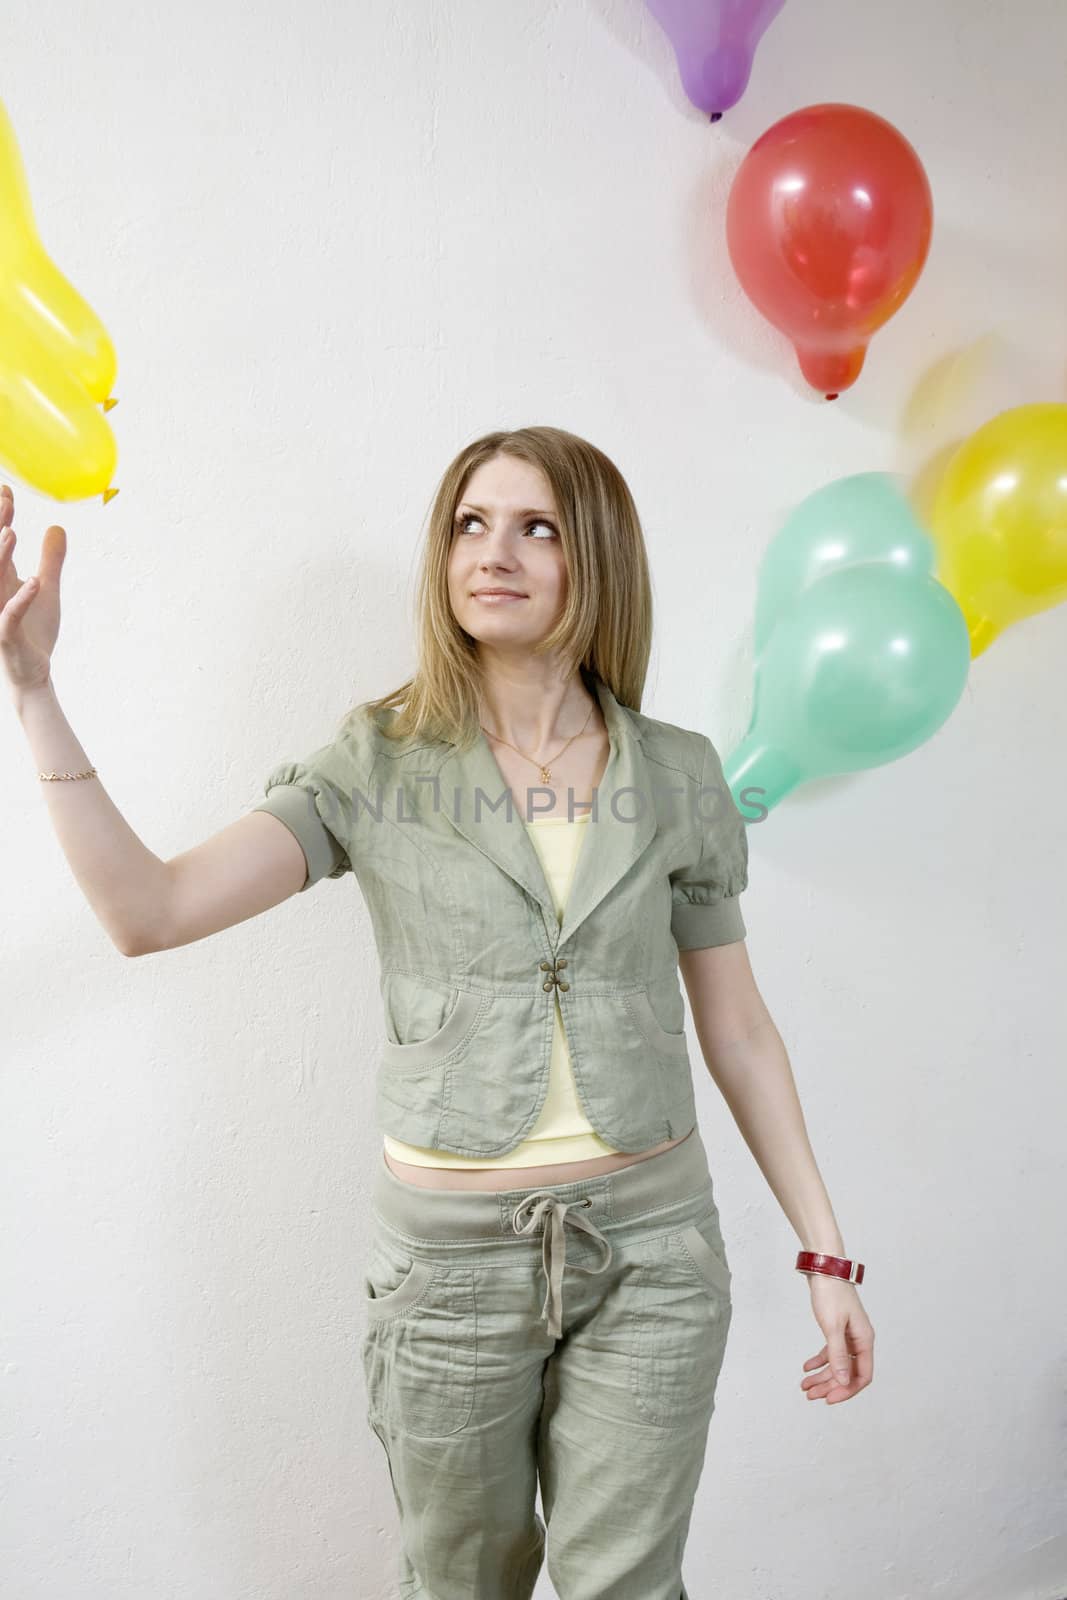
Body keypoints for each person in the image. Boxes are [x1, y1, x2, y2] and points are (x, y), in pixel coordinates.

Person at [2, 428, 874, 1600]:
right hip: (452, 1269)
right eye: (469, 523)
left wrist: (822, 1245)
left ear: (595, 557)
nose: (491, 552)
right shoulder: (377, 760)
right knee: (460, 1584)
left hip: (653, 1251)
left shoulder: (678, 771)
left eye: (535, 527)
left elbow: (737, 1029)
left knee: (629, 1581)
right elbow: (146, 910)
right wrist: (34, 688)